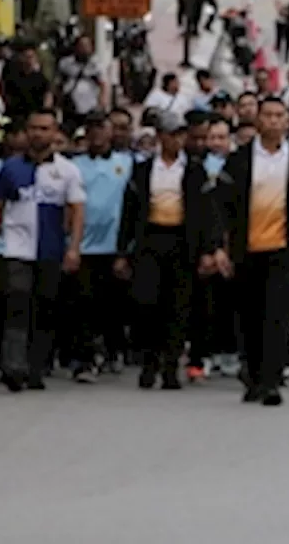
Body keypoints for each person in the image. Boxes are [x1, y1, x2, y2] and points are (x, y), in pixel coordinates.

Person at [217, 97, 289, 406]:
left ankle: (272, 380)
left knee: (278, 316)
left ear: (287, 121)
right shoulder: (239, 160)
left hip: (283, 251)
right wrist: (218, 248)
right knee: (249, 317)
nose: (274, 121)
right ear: (258, 120)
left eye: (280, 115)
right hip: (246, 250)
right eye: (268, 115)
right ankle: (251, 375)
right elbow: (220, 206)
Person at [0, 109, 86, 393]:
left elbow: (77, 211)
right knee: (17, 304)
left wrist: (74, 248)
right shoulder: (11, 168)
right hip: (16, 249)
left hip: (50, 250)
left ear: (55, 133)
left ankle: (36, 367)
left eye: (45, 128)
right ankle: (13, 367)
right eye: (34, 128)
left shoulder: (67, 171)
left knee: (45, 307)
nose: (38, 134)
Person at [118, 111, 220, 390]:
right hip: (151, 239)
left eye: (180, 135)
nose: (177, 140)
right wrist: (122, 251)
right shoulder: (143, 170)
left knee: (178, 306)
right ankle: (149, 362)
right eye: (172, 134)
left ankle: (171, 367)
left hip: (182, 240)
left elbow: (208, 212)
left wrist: (209, 249)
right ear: (161, 137)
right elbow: (129, 212)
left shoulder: (195, 171)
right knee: (148, 303)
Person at [67, 112, 134, 382]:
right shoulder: (73, 165)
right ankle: (84, 358)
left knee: (114, 303)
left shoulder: (126, 163)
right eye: (92, 129)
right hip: (82, 245)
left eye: (102, 128)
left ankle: (113, 350)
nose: (97, 135)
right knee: (83, 303)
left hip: (115, 245)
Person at [57, 35, 108, 126]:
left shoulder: (97, 65)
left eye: (87, 46)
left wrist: (102, 103)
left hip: (90, 105)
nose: (84, 48)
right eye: (81, 45)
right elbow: (59, 82)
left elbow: (103, 84)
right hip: (70, 105)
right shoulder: (65, 63)